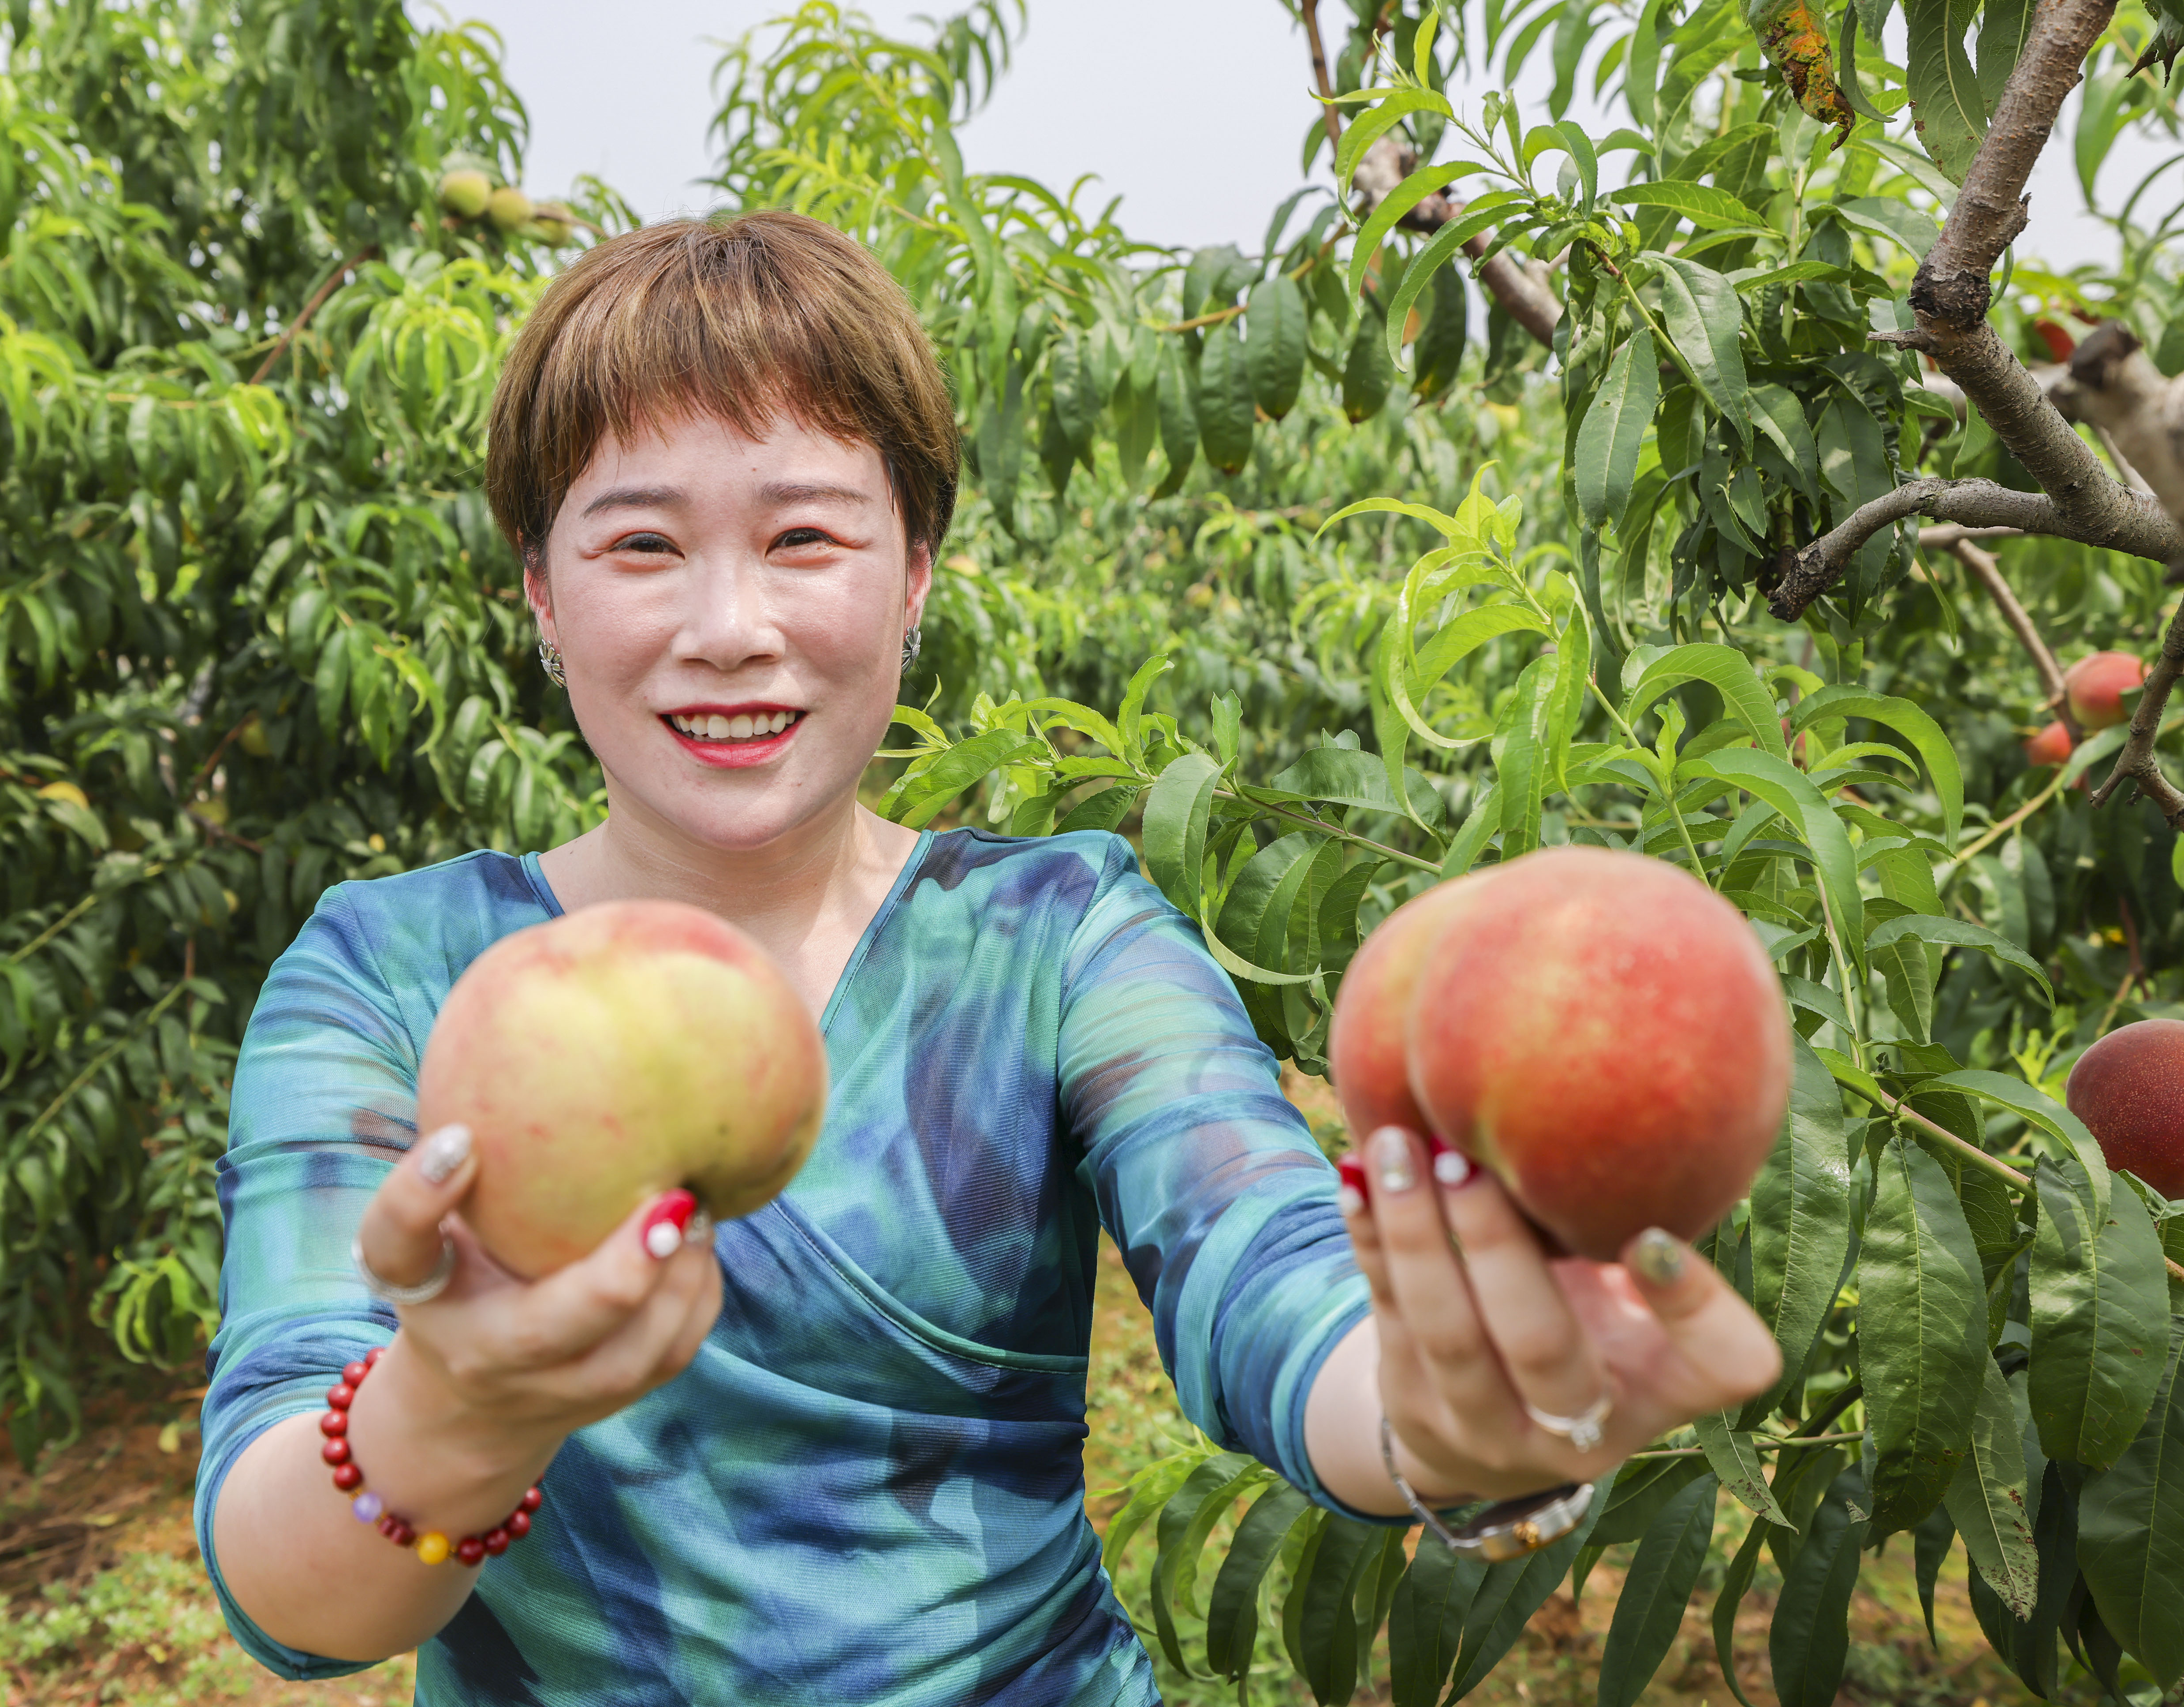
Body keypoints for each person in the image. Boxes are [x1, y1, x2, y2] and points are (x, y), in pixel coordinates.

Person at [197, 210, 1780, 1705]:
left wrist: (1447, 1414)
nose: (731, 623)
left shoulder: (1053, 937)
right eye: (640, 547)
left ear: (917, 574)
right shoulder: (394, 976)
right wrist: (453, 1416)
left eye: (807, 534)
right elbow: (293, 1595)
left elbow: (1261, 1267)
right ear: (541, 589)